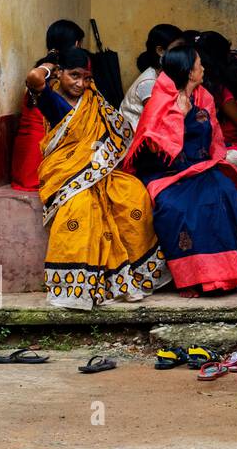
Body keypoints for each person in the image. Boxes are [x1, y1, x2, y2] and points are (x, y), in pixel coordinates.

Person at [27, 47, 168, 310]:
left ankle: (133, 276)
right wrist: (50, 64)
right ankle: (77, 285)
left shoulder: (93, 99)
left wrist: (99, 167)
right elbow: (34, 77)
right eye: (74, 75)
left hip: (99, 169)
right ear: (60, 74)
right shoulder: (51, 99)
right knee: (81, 210)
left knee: (132, 193)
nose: (81, 83)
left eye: (87, 77)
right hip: (67, 173)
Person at [124, 44, 237, 294]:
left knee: (224, 191)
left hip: (201, 168)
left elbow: (213, 137)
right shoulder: (161, 100)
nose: (203, 68)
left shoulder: (204, 97)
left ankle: (228, 275)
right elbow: (154, 145)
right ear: (188, 72)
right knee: (177, 207)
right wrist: (178, 116)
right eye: (198, 65)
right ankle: (195, 278)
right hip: (167, 174)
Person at [11, 19, 85, 191]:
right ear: (75, 44)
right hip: (40, 154)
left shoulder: (52, 69)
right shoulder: (49, 71)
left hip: (27, 153)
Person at [119, 23, 183, 132]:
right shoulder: (149, 83)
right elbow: (158, 121)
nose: (183, 53)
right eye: (178, 48)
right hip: (131, 139)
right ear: (160, 51)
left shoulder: (166, 74)